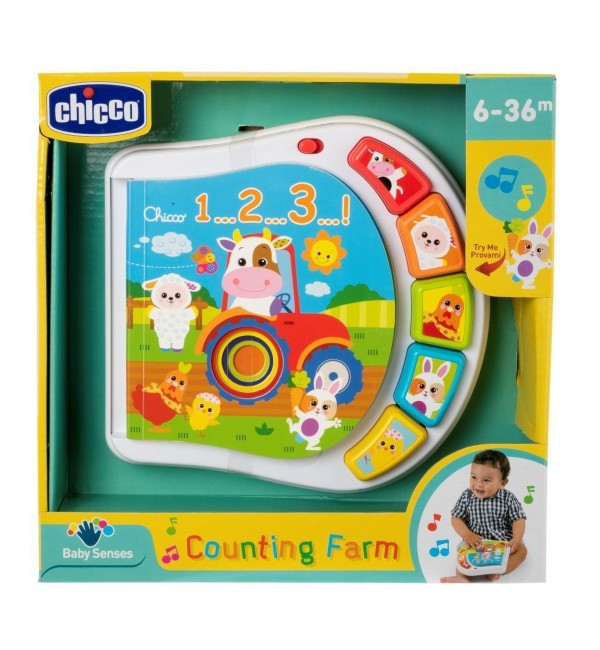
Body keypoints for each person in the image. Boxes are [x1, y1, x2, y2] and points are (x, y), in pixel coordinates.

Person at [441, 449, 527, 582]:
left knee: (522, 551)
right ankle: (462, 578)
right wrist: (467, 534)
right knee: (462, 556)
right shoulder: (467, 496)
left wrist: (516, 539)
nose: (478, 484)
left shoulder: (508, 498)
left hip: (502, 544)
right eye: (474, 477)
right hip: (476, 543)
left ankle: (495, 571)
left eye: (486, 480)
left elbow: (518, 520)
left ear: (502, 483)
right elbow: (456, 518)